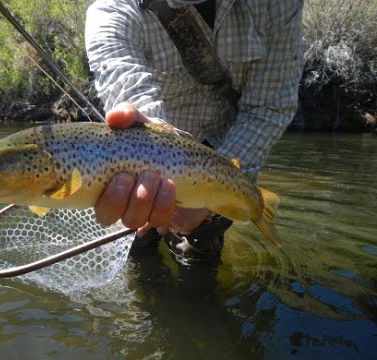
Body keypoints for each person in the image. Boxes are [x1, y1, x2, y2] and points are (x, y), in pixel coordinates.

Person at [85, 0, 304, 263]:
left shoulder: (279, 5)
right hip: (141, 158)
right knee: (134, 249)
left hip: (226, 151)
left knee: (199, 258)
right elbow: (126, 85)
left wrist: (216, 190)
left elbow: (269, 106)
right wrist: (155, 156)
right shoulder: (112, 10)